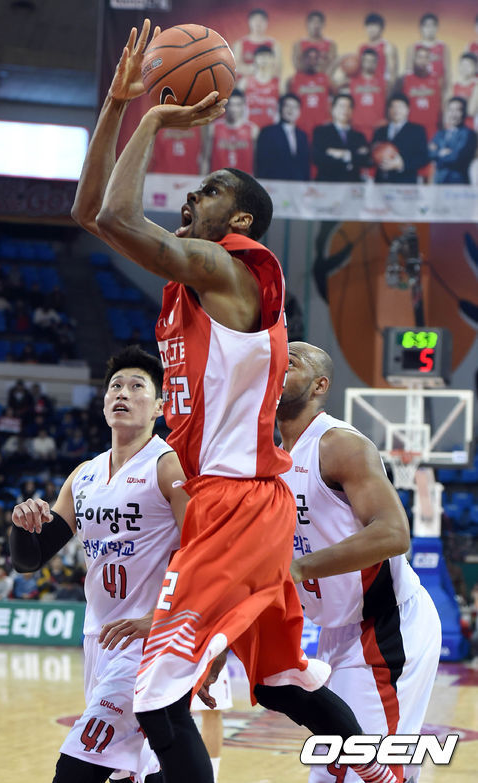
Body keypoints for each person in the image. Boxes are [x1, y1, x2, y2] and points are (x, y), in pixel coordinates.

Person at [70, 19, 405, 783]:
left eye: (211, 190)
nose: (193, 195)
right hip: (239, 504)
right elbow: (89, 212)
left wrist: (154, 118)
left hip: (236, 504)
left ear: (242, 219)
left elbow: (116, 217)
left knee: (159, 700)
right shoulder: (189, 286)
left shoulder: (235, 269)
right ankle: (382, 777)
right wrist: (117, 105)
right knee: (286, 682)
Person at [10, 341, 187, 783]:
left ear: (160, 406)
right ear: (104, 402)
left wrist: (163, 618)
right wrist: (22, 525)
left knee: (77, 766)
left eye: (137, 386)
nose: (122, 392)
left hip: (149, 639)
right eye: (115, 386)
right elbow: (30, 559)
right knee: (134, 770)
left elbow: (206, 552)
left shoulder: (168, 467)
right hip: (99, 639)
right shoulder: (84, 474)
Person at [277, 341, 441, 783]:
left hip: (386, 625)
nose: (277, 363)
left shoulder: (338, 444)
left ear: (319, 386)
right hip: (337, 631)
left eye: (291, 361)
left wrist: (300, 569)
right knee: (334, 772)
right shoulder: (270, 460)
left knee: (365, 771)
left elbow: (394, 533)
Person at [372, 94, 429, 183]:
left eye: (400, 107)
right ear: (388, 110)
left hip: (405, 182)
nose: (396, 110)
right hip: (381, 182)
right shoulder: (380, 131)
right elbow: (372, 153)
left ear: (408, 109)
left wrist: (401, 164)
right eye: (393, 107)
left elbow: (424, 157)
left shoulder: (417, 131)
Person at [312, 94, 370, 181]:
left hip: (352, 183)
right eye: (341, 106)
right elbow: (317, 158)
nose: (345, 110)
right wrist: (353, 155)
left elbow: (366, 160)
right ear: (332, 109)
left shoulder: (359, 136)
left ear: (352, 111)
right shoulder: (321, 132)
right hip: (328, 182)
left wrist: (345, 154)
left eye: (349, 107)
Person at [201, 89, 258, 175]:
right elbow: (205, 158)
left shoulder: (253, 130)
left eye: (238, 105)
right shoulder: (214, 128)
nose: (234, 109)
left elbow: (256, 162)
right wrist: (202, 178)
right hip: (219, 179)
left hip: (243, 180)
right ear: (226, 106)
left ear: (243, 106)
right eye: (231, 105)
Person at [255, 93, 310, 180]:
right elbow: (262, 163)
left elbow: (305, 165)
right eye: (287, 106)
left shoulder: (302, 135)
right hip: (275, 183)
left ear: (299, 111)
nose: (291, 110)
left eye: (295, 107)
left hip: (298, 184)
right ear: (280, 108)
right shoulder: (268, 132)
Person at [287, 46, 332, 142]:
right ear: (303, 59)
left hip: (321, 125)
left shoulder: (325, 79)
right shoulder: (293, 79)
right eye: (309, 57)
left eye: (316, 58)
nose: (312, 61)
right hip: (300, 125)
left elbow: (336, 97)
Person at [398, 46, 442, 141]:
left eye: (426, 57)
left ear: (429, 60)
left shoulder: (436, 79)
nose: (423, 61)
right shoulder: (405, 79)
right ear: (414, 59)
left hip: (431, 128)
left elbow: (441, 105)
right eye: (420, 57)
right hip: (410, 127)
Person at [429, 96, 477, 183]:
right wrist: (440, 153)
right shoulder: (440, 134)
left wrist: (437, 154)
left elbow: (456, 157)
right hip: (439, 182)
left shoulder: (469, 134)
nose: (453, 114)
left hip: (458, 183)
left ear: (464, 113)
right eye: (450, 110)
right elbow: (428, 153)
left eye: (457, 110)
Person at [347, 48, 387, 143]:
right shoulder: (352, 80)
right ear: (361, 62)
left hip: (377, 128)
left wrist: (386, 119)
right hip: (357, 127)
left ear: (376, 63)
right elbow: (331, 81)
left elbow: (389, 102)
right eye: (367, 60)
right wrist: (341, 59)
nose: (370, 63)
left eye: (373, 61)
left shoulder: (383, 82)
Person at [405, 13, 451, 95]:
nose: (430, 29)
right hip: (419, 89)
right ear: (421, 28)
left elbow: (447, 71)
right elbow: (409, 71)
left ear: (437, 28)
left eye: (433, 26)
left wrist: (447, 91)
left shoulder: (443, 47)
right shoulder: (413, 47)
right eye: (427, 26)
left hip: (438, 88)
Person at [232, 8, 281, 80]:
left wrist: (259, 73)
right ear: (249, 22)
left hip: (267, 83)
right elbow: (237, 67)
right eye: (255, 20)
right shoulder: (240, 44)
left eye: (261, 20)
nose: (258, 23)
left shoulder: (274, 44)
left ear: (266, 23)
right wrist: (259, 70)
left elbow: (277, 68)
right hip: (244, 84)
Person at [357, 13, 398, 88]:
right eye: (369, 26)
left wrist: (389, 89)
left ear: (382, 28)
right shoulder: (362, 47)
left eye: (375, 26)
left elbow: (393, 74)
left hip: (381, 88)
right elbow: (360, 70)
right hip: (364, 87)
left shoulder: (388, 47)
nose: (371, 29)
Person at [292, 9, 337, 75]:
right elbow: (297, 65)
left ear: (323, 24)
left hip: (323, 78)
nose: (316, 26)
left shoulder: (331, 44)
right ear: (307, 24)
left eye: (318, 22)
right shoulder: (299, 44)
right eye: (313, 22)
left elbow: (333, 65)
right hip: (303, 77)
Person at [453, 53, 478, 131]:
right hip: (453, 127)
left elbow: (470, 111)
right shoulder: (454, 86)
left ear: (475, 68)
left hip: (470, 127)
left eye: (468, 66)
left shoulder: (476, 86)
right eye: (463, 65)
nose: (465, 68)